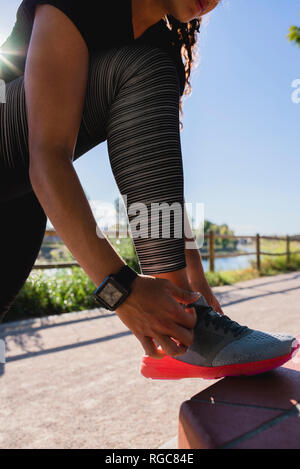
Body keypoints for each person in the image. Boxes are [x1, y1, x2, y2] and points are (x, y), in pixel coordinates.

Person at [0, 0, 298, 379]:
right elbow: (48, 156)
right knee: (141, 67)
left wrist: (196, 290)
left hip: (18, 202)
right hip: (23, 157)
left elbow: (156, 177)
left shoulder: (161, 48)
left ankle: (186, 320)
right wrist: (121, 290)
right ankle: (186, 329)